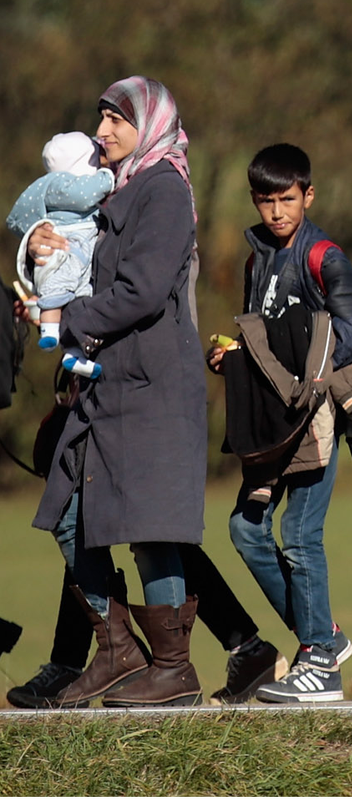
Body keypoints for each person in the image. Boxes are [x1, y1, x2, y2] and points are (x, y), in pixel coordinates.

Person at [26, 76, 220, 706]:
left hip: (154, 383)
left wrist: (68, 320)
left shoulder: (162, 189)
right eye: (100, 117)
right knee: (69, 512)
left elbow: (140, 290)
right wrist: (38, 247)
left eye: (117, 120)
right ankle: (118, 651)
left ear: (152, 125)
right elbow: (62, 248)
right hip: (107, 384)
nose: (102, 131)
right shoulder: (119, 188)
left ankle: (172, 668)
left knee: (152, 526)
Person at [206, 143, 352, 702]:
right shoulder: (256, 255)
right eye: (266, 201)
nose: (277, 212)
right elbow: (258, 332)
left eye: (288, 199)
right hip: (273, 419)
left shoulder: (323, 256)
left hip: (320, 415)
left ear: (308, 196)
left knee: (300, 534)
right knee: (245, 528)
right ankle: (324, 638)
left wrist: (307, 368)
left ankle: (320, 665)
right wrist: (232, 353)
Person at [8, 132, 114, 376]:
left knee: (71, 295)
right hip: (74, 251)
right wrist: (106, 176)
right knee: (67, 289)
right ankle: (58, 337)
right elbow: (85, 194)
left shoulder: (43, 186)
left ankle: (68, 347)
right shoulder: (75, 186)